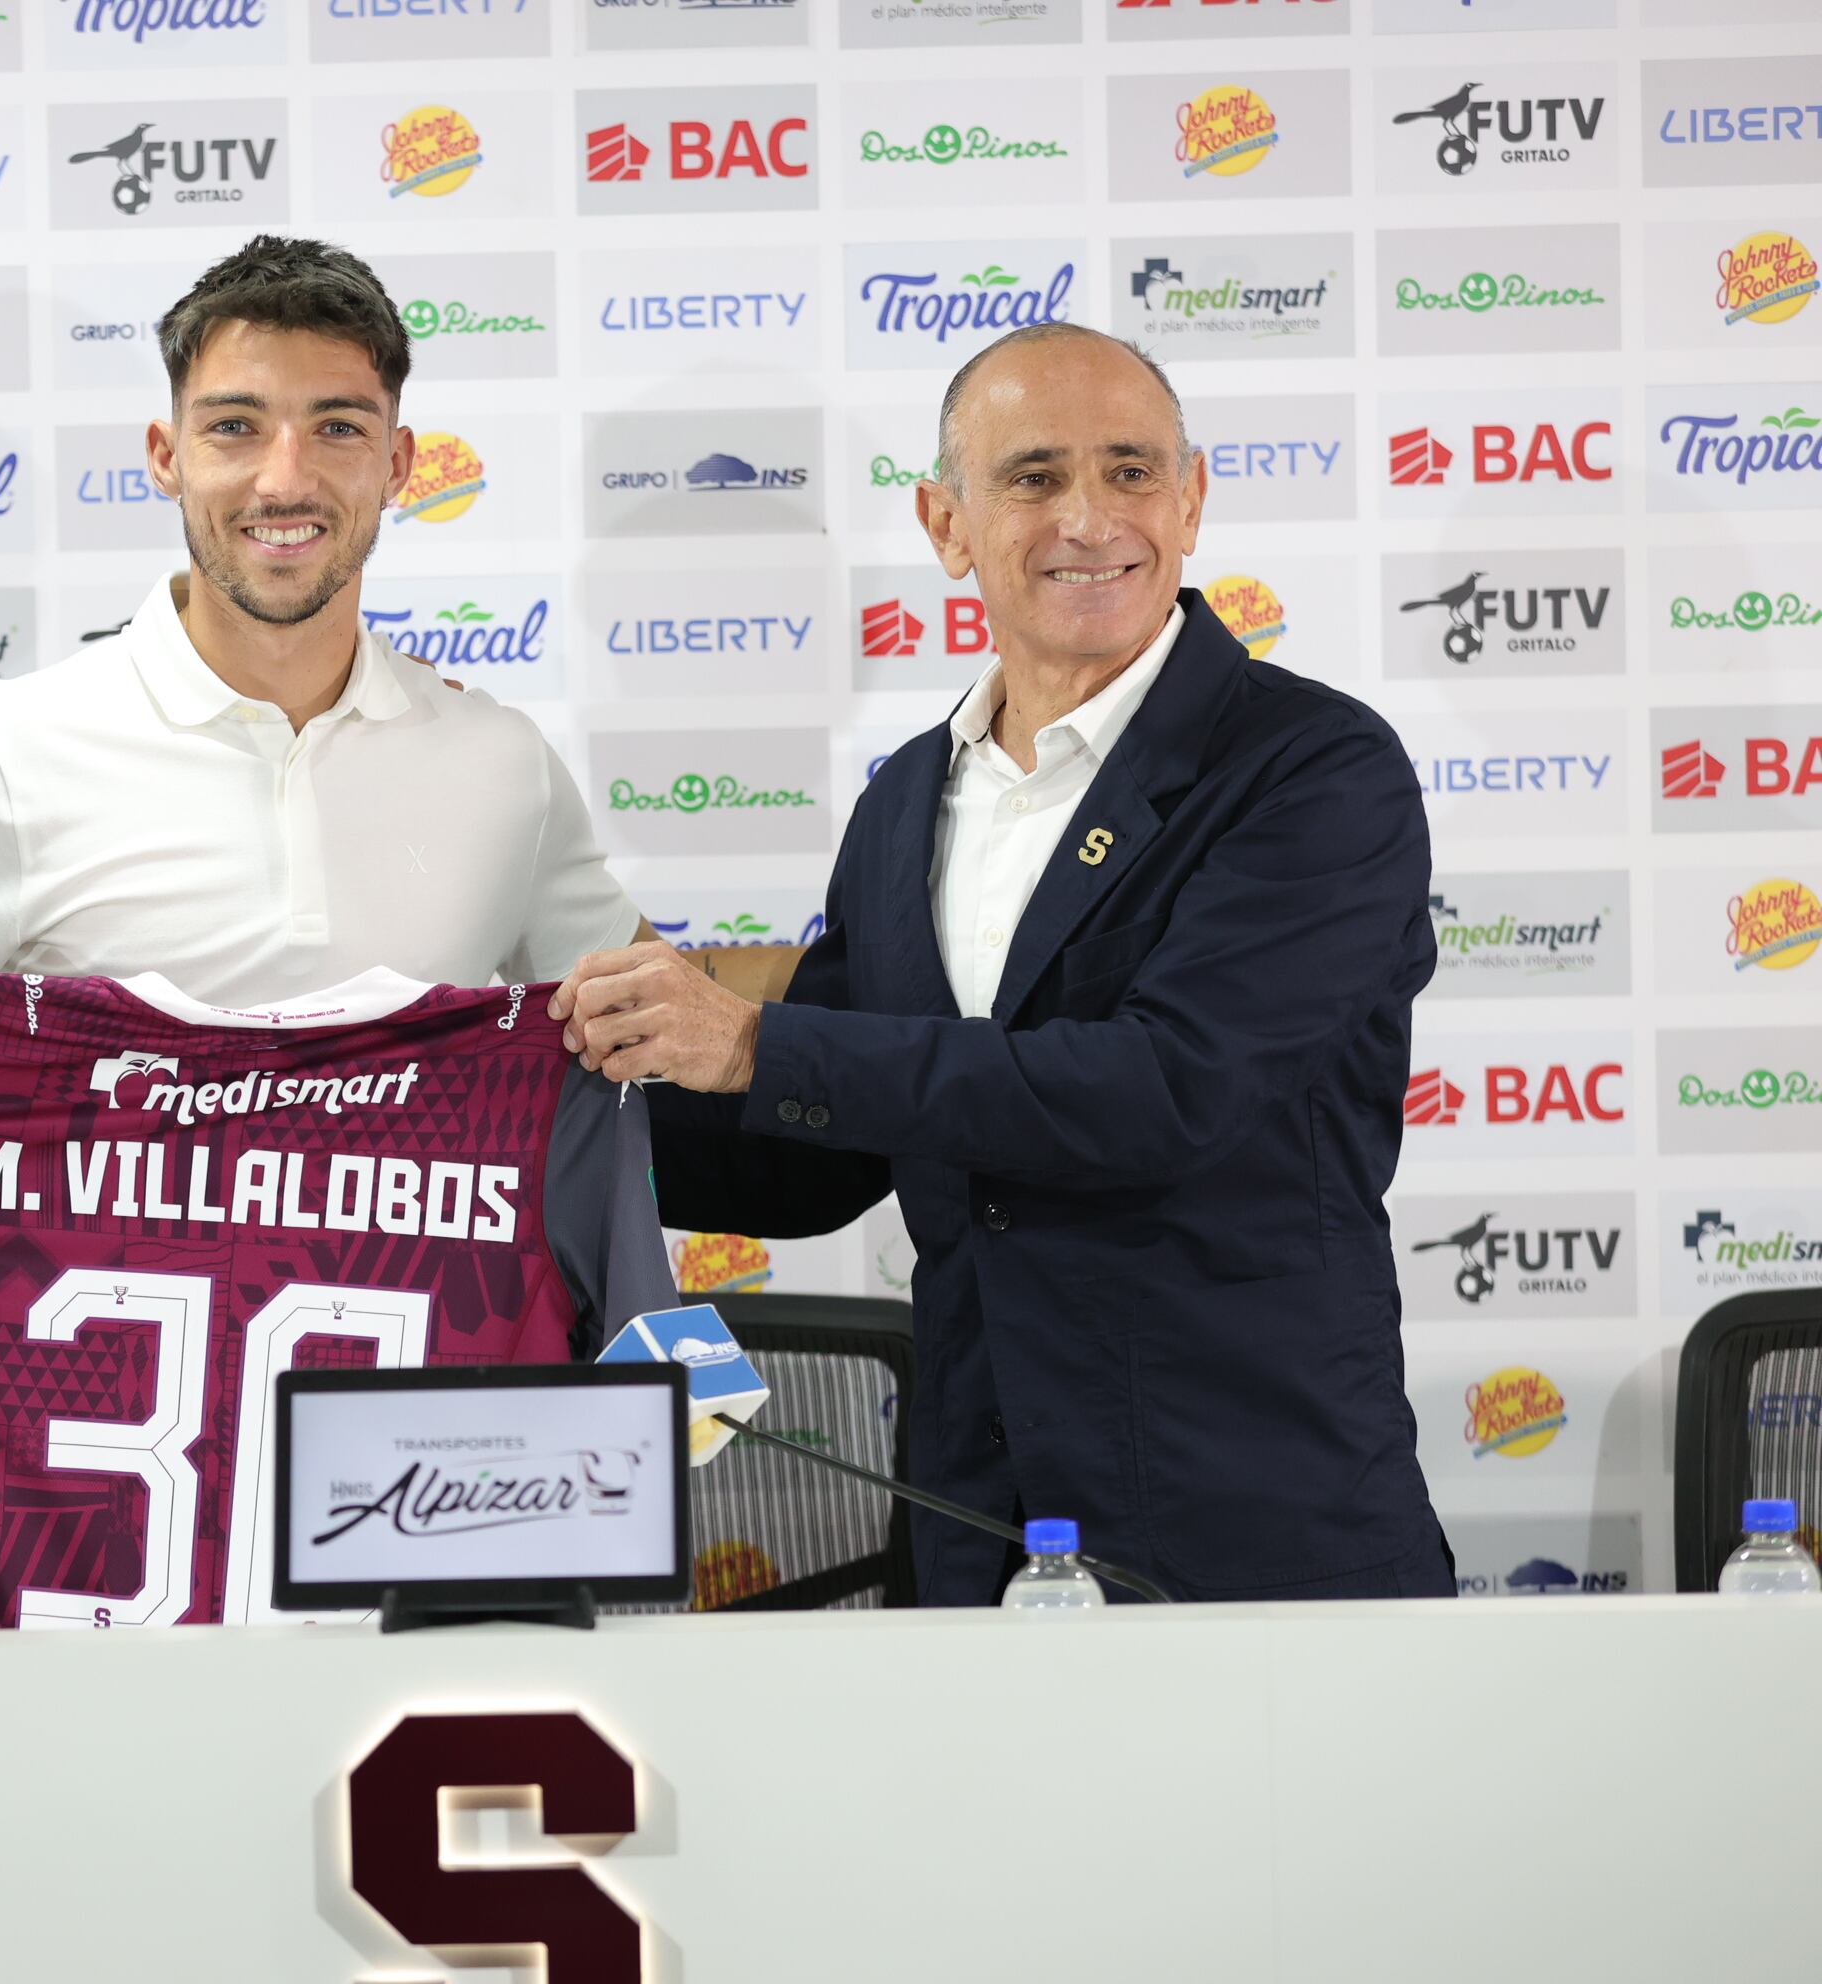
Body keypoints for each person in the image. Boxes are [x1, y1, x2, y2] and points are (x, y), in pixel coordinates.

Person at [548, 322, 1451, 1604]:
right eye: (1032, 477)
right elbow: (828, 1150)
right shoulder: (907, 800)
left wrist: (752, 1039)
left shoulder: (1313, 770)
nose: (1089, 517)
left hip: (1257, 1530)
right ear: (946, 522)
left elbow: (1164, 1090)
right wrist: (536, 1126)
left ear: (1191, 503)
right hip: (978, 1530)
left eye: (1132, 471)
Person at [0, 234, 648, 1039]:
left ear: (399, 465)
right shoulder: (7, 752)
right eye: (235, 427)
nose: (284, 479)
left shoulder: (503, 764)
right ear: (166, 455)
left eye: (338, 428)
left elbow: (658, 1035)